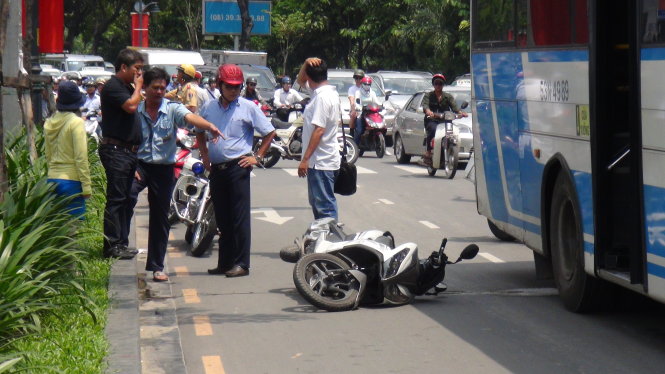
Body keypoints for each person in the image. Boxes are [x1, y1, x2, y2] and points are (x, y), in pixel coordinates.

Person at [126, 67, 223, 282]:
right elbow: (126, 141)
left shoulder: (172, 109)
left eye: (163, 88)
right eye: (155, 88)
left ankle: (157, 266)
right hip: (140, 165)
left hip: (163, 168)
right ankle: (120, 244)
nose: (160, 92)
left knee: (160, 217)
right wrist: (131, 167)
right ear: (146, 89)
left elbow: (189, 117)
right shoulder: (136, 110)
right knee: (125, 196)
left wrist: (209, 127)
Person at [196, 64, 275, 277]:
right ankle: (225, 262)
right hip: (216, 169)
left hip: (238, 167)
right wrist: (204, 156)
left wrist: (256, 157)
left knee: (239, 217)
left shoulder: (248, 107)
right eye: (229, 86)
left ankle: (241, 263)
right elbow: (199, 131)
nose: (233, 90)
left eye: (237, 87)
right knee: (222, 218)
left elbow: (269, 133)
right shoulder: (209, 108)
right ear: (220, 85)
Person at [99, 48, 144, 259]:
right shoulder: (114, 86)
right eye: (137, 68)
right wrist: (139, 87)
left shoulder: (125, 87)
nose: (139, 74)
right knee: (116, 199)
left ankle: (121, 242)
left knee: (126, 198)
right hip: (116, 151)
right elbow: (131, 107)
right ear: (124, 67)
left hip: (128, 152)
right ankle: (112, 245)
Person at [296, 57, 341, 220]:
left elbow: (319, 130)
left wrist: (305, 160)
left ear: (310, 77)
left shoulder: (322, 97)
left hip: (321, 161)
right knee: (318, 204)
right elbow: (300, 80)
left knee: (325, 208)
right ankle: (323, 237)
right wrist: (306, 62)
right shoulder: (321, 92)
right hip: (321, 160)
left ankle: (330, 240)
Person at [44, 81, 91, 218]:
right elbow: (81, 157)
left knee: (57, 230)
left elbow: (48, 154)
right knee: (71, 230)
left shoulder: (49, 122)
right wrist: (86, 186)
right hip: (71, 181)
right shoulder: (76, 122)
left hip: (52, 180)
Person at [422, 74, 467, 165]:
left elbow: (455, 108)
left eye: (440, 84)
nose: (438, 85)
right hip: (432, 120)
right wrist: (428, 111)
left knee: (452, 133)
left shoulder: (448, 97)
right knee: (433, 129)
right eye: (436, 83)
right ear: (433, 85)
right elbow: (425, 105)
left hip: (445, 121)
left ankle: (449, 147)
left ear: (443, 85)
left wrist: (460, 113)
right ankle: (429, 151)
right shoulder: (428, 95)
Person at [353, 76, 381, 145]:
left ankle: (380, 144)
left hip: (371, 113)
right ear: (362, 84)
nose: (367, 86)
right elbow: (357, 102)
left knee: (380, 126)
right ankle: (355, 146)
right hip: (361, 113)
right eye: (365, 84)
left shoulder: (372, 93)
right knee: (359, 130)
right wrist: (358, 107)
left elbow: (376, 102)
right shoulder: (358, 92)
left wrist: (382, 105)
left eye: (369, 84)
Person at [348, 69, 364, 135]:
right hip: (356, 109)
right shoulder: (352, 89)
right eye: (356, 78)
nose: (358, 80)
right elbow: (351, 101)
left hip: (365, 109)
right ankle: (351, 132)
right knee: (353, 115)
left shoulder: (366, 88)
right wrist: (353, 109)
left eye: (360, 78)